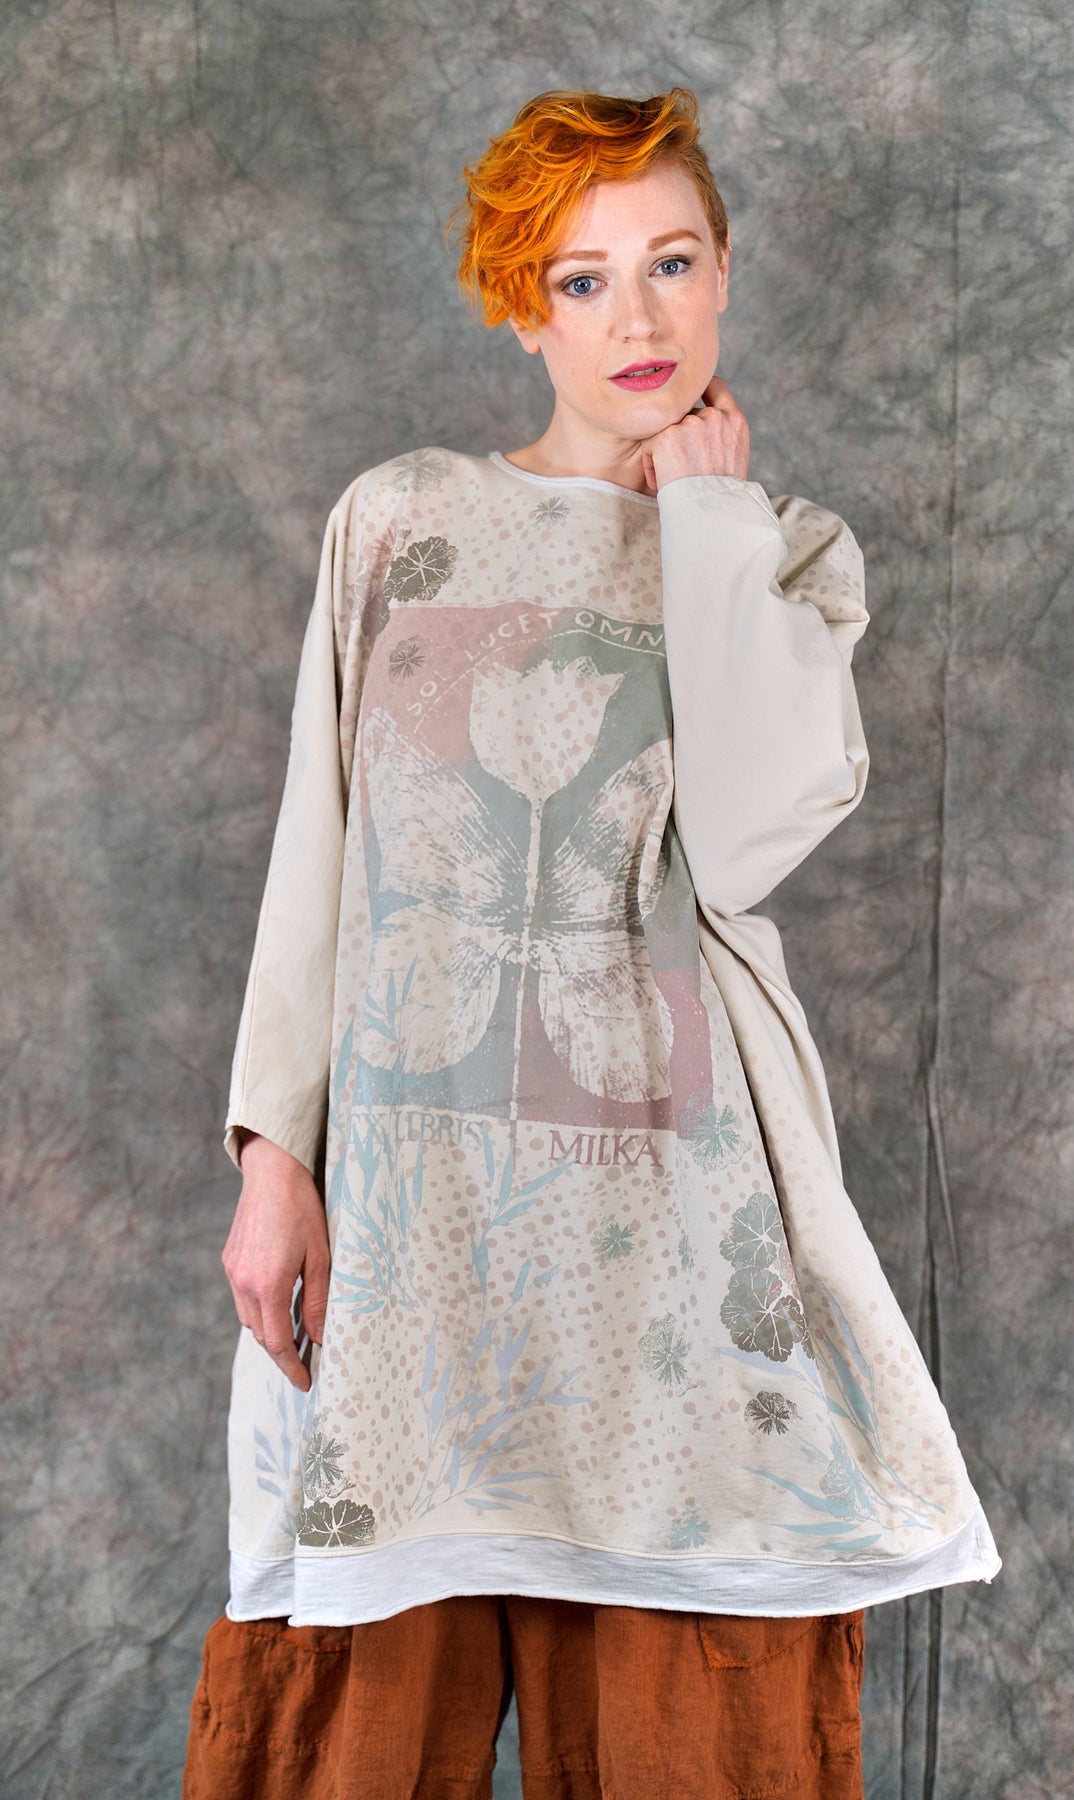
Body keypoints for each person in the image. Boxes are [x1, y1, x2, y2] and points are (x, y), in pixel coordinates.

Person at [183, 86, 1001, 1800]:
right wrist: (273, 1154)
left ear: (726, 275)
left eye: (672, 263)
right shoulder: (396, 520)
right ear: (519, 306)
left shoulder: (785, 553)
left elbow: (753, 835)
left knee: (689, 1751)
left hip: (672, 1267)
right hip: (416, 1249)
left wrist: (707, 522)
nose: (638, 318)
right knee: (349, 1741)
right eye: (581, 278)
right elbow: (320, 855)